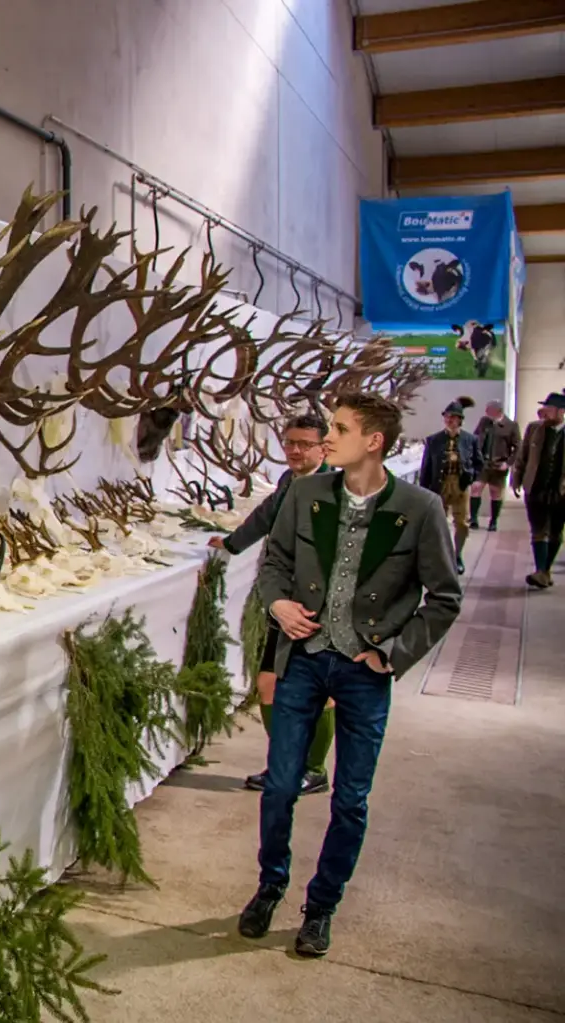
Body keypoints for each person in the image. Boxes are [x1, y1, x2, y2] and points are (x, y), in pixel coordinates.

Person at [238, 392, 462, 958]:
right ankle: (269, 886)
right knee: (281, 785)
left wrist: (391, 653)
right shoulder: (305, 493)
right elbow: (276, 564)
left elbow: (445, 597)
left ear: (374, 441)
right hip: (302, 660)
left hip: (364, 672)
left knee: (351, 799)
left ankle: (322, 906)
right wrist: (277, 605)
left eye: (338, 429)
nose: (326, 437)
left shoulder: (421, 508)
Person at [210, 413, 333, 794]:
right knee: (268, 683)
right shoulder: (288, 480)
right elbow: (266, 516)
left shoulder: (334, 487)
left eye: (305, 444)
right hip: (282, 600)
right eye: (290, 443)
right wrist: (232, 543)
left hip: (317, 603)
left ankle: (312, 769)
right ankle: (283, 762)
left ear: (323, 447)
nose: (295, 451)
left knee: (318, 689)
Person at [418, 396, 483, 573]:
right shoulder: (433, 440)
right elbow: (426, 467)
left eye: (453, 417)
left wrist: (474, 478)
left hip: (461, 485)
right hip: (440, 484)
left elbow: (479, 462)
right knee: (439, 522)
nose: (450, 420)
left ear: (460, 420)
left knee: (462, 523)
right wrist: (423, 491)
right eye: (447, 416)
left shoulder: (470, 440)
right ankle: (443, 555)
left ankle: (457, 555)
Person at [511, 392, 565, 589]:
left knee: (556, 532)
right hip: (535, 488)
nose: (545, 412)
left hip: (561, 492)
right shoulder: (534, 428)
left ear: (561, 411)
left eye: (550, 409)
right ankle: (540, 570)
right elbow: (522, 456)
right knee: (538, 530)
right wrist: (516, 479)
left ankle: (545, 570)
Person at [469, 399, 520, 533]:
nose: (486, 412)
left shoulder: (511, 426)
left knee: (495, 492)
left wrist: (508, 463)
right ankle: (473, 518)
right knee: (476, 487)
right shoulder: (484, 422)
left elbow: (518, 447)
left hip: (499, 464)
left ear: (497, 411)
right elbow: (475, 438)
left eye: (488, 410)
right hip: (482, 463)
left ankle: (493, 521)